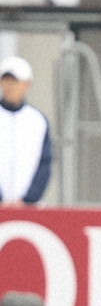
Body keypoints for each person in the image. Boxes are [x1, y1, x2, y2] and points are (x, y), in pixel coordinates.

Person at [0, 56, 52, 208]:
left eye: (15, 81)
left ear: (27, 84)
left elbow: (45, 162)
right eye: (6, 80)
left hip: (29, 207)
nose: (10, 86)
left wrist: (29, 199)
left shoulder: (37, 120)